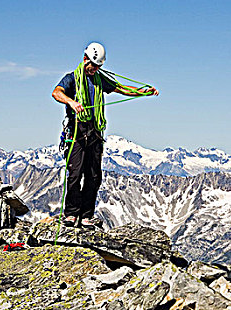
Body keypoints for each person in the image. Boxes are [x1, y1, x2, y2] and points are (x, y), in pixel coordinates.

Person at [52, 42, 158, 228]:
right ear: (85, 60)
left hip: (95, 132)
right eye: (93, 65)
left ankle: (86, 215)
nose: (95, 69)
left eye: (99, 66)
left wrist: (142, 92)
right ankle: (71, 214)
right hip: (76, 132)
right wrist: (71, 103)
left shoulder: (100, 79)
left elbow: (121, 88)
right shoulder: (71, 79)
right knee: (75, 174)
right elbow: (56, 92)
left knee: (93, 175)